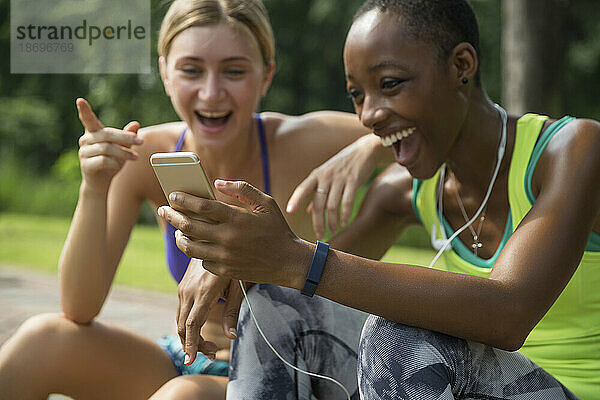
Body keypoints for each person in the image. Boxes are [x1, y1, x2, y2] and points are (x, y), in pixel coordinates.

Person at [159, 0, 600, 399]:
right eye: (357, 95)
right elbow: (301, 286)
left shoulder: (572, 150)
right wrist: (236, 255)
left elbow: (509, 312)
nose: (368, 113)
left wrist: (294, 259)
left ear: (461, 65)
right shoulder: (410, 190)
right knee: (279, 302)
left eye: (390, 83)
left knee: (398, 340)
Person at [0, 0, 387, 398]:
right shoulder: (145, 153)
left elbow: (424, 124)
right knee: (41, 341)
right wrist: (93, 189)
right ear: (165, 72)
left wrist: (370, 148)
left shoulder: (304, 142)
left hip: (287, 368)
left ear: (266, 75)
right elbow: (79, 309)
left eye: (234, 71)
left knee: (182, 395)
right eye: (191, 70)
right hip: (187, 358)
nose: (211, 91)